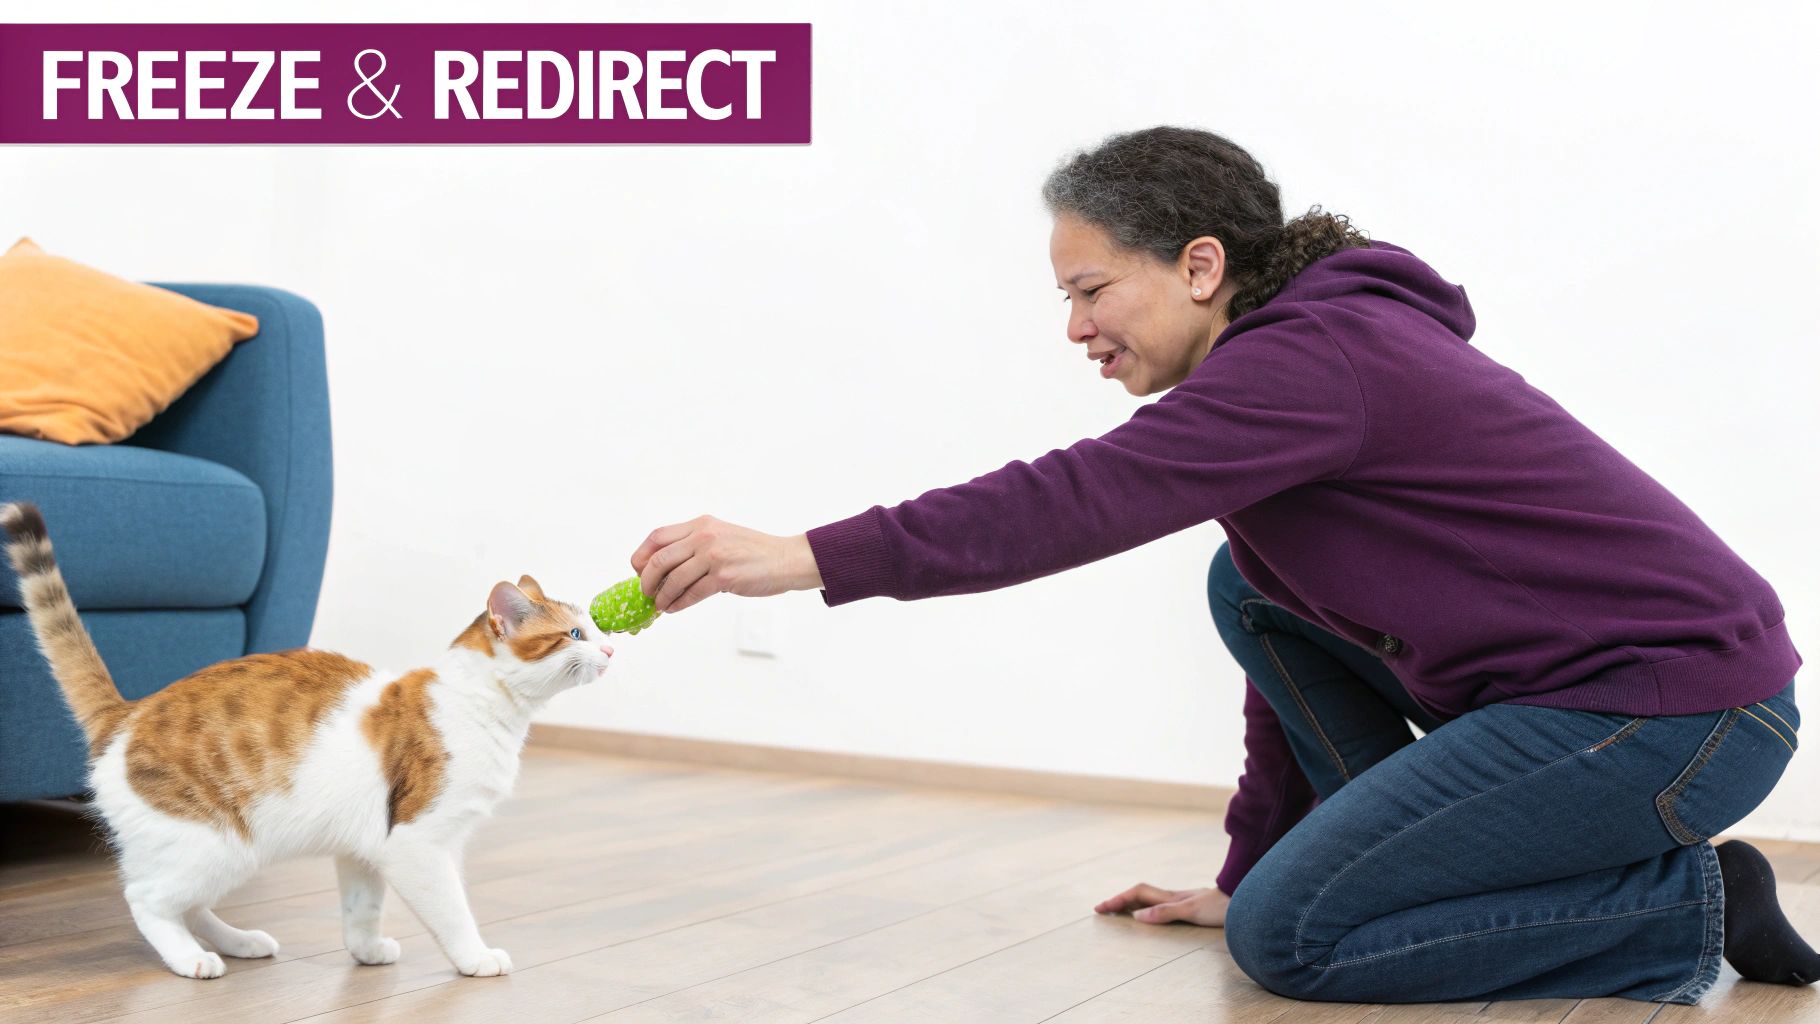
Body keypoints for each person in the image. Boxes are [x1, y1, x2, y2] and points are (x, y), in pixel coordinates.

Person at [627, 126, 1812, 1005]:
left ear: (1199, 265)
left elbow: (1071, 499)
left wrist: (803, 556)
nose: (1077, 326)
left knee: (1295, 945)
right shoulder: (1285, 380)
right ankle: (1343, 877)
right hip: (1571, 708)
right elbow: (1281, 655)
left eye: (1092, 289)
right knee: (1242, 588)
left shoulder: (1311, 359)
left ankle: (1691, 905)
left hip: (1675, 713)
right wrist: (1249, 865)